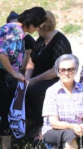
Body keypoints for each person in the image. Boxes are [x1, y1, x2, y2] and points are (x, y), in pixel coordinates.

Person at [0, 7, 47, 149]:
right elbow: (3, 54)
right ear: (31, 22)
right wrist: (14, 73)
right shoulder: (16, 32)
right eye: (37, 26)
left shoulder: (10, 28)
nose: (36, 30)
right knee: (6, 114)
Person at [25, 10, 72, 138]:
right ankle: (23, 122)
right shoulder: (40, 40)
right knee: (17, 87)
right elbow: (31, 60)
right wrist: (27, 78)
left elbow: (56, 70)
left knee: (35, 90)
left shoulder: (59, 42)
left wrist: (34, 80)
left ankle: (41, 126)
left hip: (54, 79)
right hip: (36, 77)